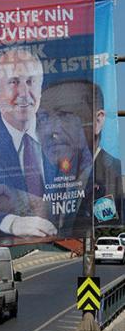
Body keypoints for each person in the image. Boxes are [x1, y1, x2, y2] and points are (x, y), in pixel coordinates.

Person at [0, 47, 90, 241]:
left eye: (31, 82)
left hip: (65, 246)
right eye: (14, 82)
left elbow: (87, 184)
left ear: (40, 88)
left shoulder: (66, 133)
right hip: (8, 249)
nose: (24, 93)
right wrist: (10, 222)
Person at [40, 80, 121, 226]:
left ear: (97, 121)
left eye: (64, 115)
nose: (50, 130)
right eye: (44, 118)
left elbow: (106, 230)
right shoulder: (49, 183)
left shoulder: (113, 177)